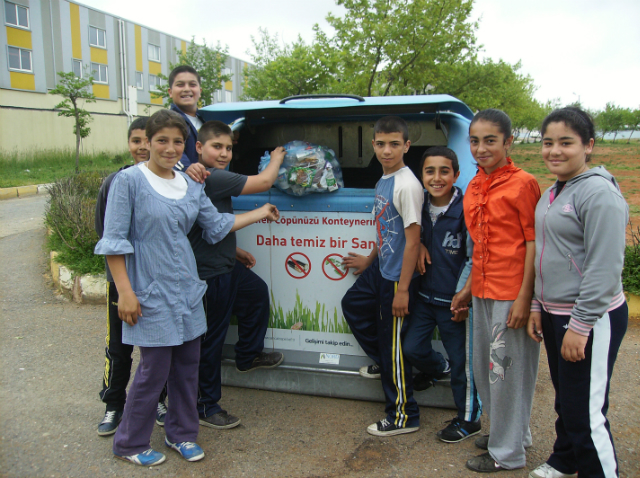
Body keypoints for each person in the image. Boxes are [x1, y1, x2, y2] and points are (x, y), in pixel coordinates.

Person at [95, 109, 279, 466]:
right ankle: (129, 441)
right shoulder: (129, 182)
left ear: (185, 146)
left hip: (188, 290)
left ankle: (180, 433)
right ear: (147, 142)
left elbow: (214, 226)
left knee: (188, 366)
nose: (169, 148)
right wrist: (125, 292)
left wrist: (259, 212)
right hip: (149, 290)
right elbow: (113, 241)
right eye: (161, 140)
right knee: (154, 370)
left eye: (176, 141)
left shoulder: (190, 183)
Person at [527, 107, 628, 478]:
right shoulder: (555, 190)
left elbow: (604, 268)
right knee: (568, 399)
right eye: (548, 142)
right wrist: (537, 304)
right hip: (555, 312)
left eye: (565, 142)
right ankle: (565, 458)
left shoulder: (598, 194)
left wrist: (581, 325)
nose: (554, 151)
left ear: (588, 145)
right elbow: (544, 254)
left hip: (589, 316)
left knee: (585, 410)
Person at [186, 120, 286, 429]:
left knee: (255, 293)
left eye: (229, 148)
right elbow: (264, 182)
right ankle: (205, 405)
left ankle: (247, 355)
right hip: (209, 274)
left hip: (225, 262)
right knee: (210, 341)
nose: (225, 153)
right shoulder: (212, 177)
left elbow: (211, 223)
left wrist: (234, 251)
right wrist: (278, 157)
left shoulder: (202, 174)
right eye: (217, 147)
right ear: (199, 148)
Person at [463, 109, 541, 473]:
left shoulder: (523, 183)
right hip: (481, 288)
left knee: (505, 372)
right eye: (475, 140)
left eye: (490, 140)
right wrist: (467, 289)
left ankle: (507, 454)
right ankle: (512, 434)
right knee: (486, 368)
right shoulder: (474, 184)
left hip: (511, 292)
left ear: (508, 142)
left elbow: (533, 243)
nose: (481, 148)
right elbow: (479, 245)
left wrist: (526, 298)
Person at [341, 116, 423, 437]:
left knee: (395, 345)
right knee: (353, 304)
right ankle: (386, 362)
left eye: (394, 144)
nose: (386, 150)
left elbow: (413, 240)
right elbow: (387, 230)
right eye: (380, 144)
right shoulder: (384, 179)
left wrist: (402, 290)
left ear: (406, 145)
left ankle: (404, 415)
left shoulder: (406, 185)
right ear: (373, 144)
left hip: (396, 278)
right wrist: (370, 259)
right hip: (381, 267)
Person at [96, 117, 169, 436]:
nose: (142, 146)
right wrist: (123, 284)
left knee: (160, 345)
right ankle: (114, 405)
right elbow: (106, 234)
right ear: (129, 144)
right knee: (119, 347)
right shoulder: (116, 182)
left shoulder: (169, 180)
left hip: (159, 281)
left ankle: (160, 400)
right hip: (123, 283)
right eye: (135, 140)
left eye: (146, 140)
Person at [403, 146, 482, 443]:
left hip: (455, 302)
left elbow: (473, 257)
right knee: (411, 347)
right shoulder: (418, 204)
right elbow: (408, 237)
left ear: (457, 175)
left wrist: (464, 294)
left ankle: (469, 418)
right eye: (429, 171)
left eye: (444, 171)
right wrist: (421, 243)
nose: (437, 178)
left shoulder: (467, 209)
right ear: (421, 175)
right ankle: (438, 367)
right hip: (425, 298)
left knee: (463, 362)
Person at [167, 65, 203, 171]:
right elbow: (168, 150)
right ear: (170, 92)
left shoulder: (206, 120)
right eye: (180, 85)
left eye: (192, 84)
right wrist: (186, 168)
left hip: (210, 180)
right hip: (184, 182)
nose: (187, 89)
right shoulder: (167, 121)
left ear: (200, 91)